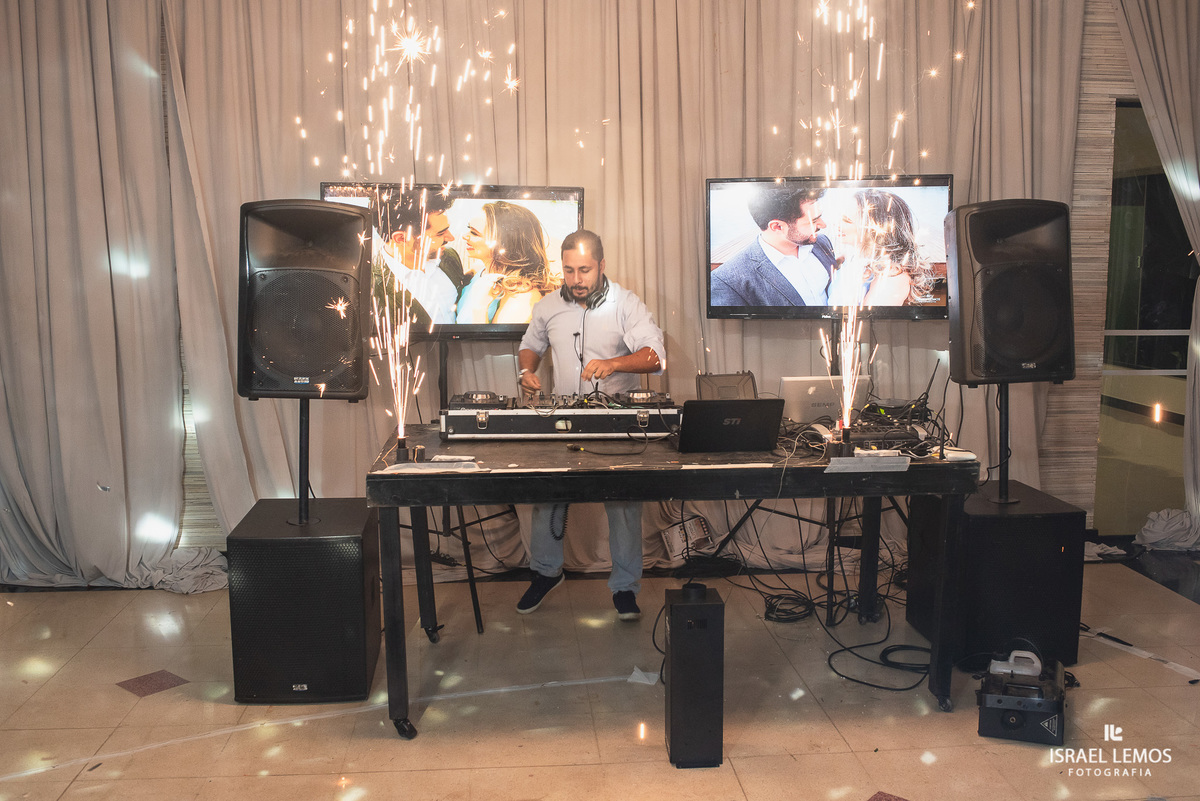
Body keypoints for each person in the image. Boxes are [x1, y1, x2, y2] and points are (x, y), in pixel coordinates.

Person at [514, 230, 666, 620]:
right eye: (568, 271)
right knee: (549, 494)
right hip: (562, 418)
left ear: (602, 265)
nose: (576, 279)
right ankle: (546, 573)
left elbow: (655, 356)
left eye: (584, 270)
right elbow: (530, 345)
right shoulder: (548, 306)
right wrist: (526, 369)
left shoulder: (626, 304)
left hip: (616, 422)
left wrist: (615, 363)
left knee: (622, 501)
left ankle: (625, 589)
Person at [709, 187, 838, 306]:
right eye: (813, 221)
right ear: (777, 226)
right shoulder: (727, 282)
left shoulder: (822, 243)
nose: (823, 225)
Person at [826, 189, 938, 307]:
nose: (836, 224)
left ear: (875, 229)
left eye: (847, 220)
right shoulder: (856, 257)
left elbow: (866, 322)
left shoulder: (892, 276)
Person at [455, 201, 560, 324]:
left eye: (474, 233)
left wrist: (479, 308)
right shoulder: (480, 272)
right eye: (469, 228)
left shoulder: (521, 297)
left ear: (503, 244)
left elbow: (495, 343)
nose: (464, 236)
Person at [373, 193, 466, 327]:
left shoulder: (450, 256)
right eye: (440, 233)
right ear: (401, 239)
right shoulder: (372, 289)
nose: (451, 238)